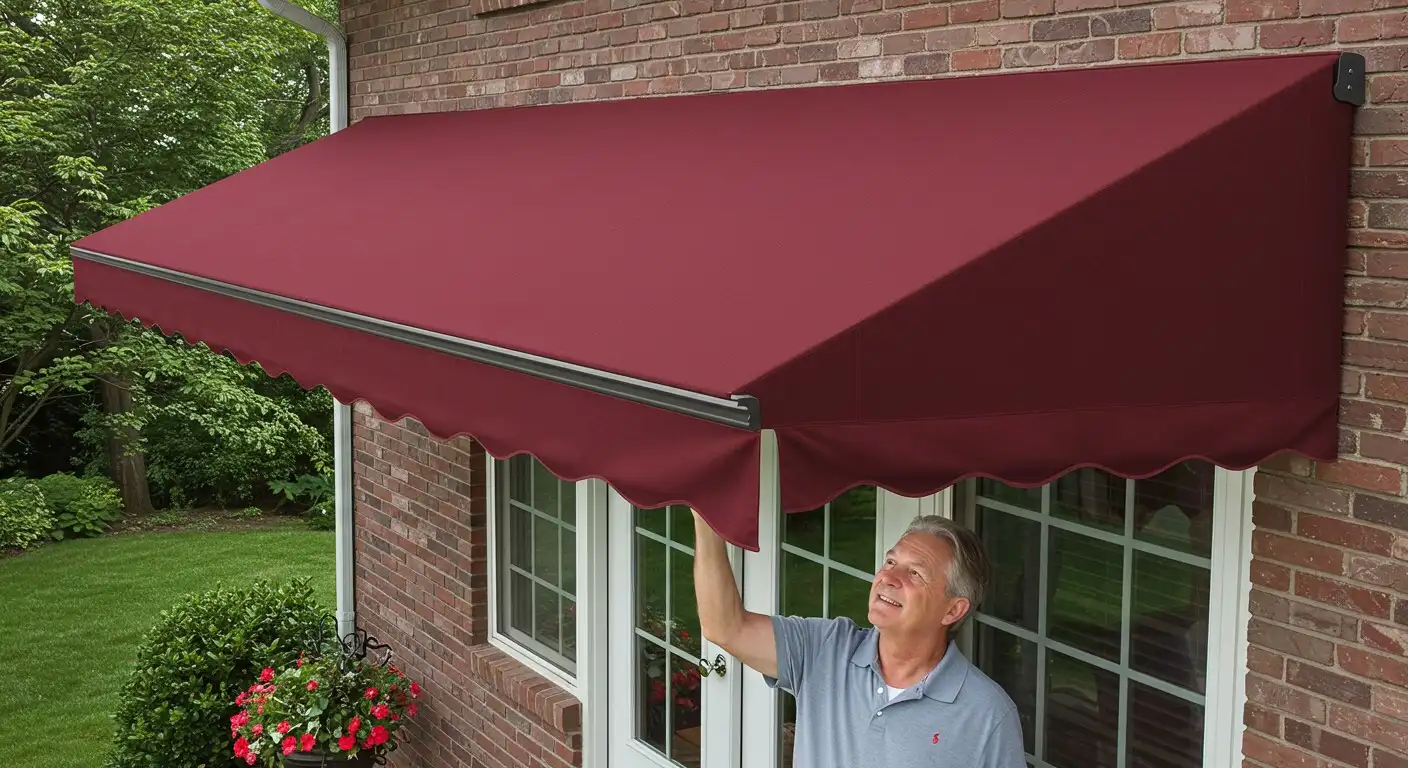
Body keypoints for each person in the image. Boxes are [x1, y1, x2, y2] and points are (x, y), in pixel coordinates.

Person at [693, 510, 1026, 768]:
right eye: (891, 561)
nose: (888, 578)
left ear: (953, 610)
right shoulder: (825, 648)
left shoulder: (986, 714)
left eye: (915, 573)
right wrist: (705, 516)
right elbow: (725, 627)